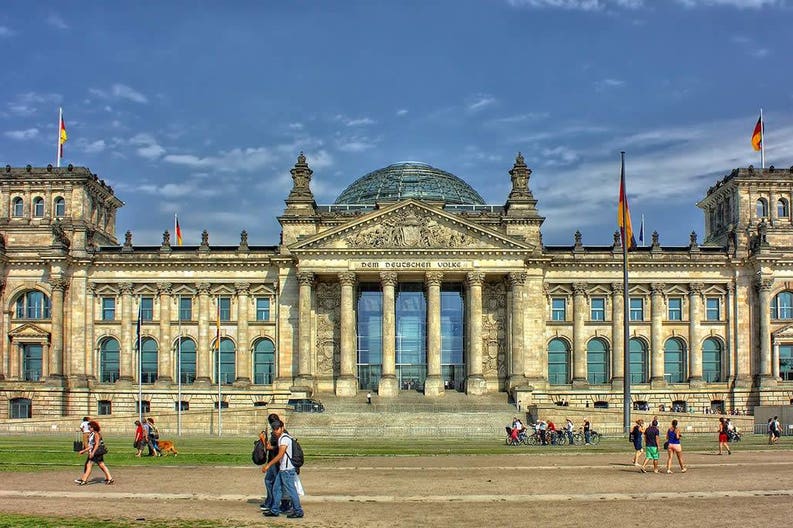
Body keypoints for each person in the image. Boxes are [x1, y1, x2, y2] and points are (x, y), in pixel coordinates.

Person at [262, 419, 304, 519]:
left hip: (287, 469)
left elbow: (280, 455)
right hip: (283, 469)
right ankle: (274, 510)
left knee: (291, 490)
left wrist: (268, 465)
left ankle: (298, 511)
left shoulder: (284, 439)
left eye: (277, 428)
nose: (276, 431)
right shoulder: (282, 438)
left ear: (282, 428)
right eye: (274, 429)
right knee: (276, 489)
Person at [260, 413, 287, 514]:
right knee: (270, 482)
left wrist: (263, 441)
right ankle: (271, 502)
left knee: (277, 484)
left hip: (276, 462)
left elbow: (278, 448)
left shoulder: (281, 433)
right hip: (273, 460)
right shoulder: (275, 432)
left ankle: (277, 503)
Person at [75, 420, 113, 485]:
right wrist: (84, 451)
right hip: (96, 451)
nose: (89, 428)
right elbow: (91, 445)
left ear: (94, 427)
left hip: (97, 452)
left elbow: (97, 444)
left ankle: (84, 480)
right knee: (101, 465)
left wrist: (93, 453)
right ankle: (110, 478)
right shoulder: (92, 434)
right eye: (89, 427)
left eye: (90, 427)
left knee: (89, 465)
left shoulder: (96, 434)